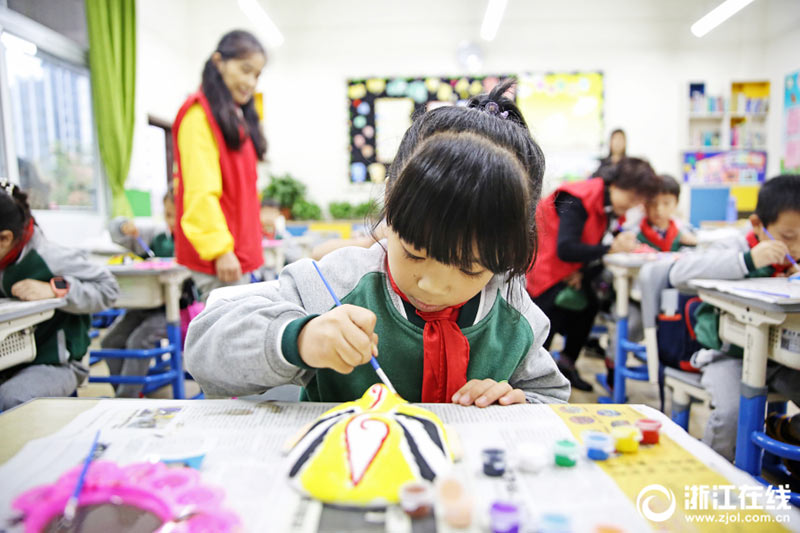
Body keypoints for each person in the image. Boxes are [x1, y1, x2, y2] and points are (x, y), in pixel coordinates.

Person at [185, 80, 570, 405]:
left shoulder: (514, 316)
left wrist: (516, 403)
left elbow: (552, 398)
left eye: (469, 268)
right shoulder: (334, 285)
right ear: (390, 204)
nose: (432, 284)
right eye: (415, 253)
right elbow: (203, 348)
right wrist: (297, 339)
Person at [669, 174, 800, 461]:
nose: (796, 248)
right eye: (788, 237)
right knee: (730, 415)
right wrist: (749, 261)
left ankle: (784, 431)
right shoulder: (736, 246)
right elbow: (678, 273)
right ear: (758, 224)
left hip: (783, 361)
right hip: (729, 357)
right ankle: (712, 472)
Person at [526, 157, 659, 391]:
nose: (632, 205)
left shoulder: (607, 205)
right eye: (631, 198)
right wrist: (611, 248)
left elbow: (590, 244)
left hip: (568, 270)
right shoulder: (578, 198)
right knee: (547, 324)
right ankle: (531, 379)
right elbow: (566, 248)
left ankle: (566, 365)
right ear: (616, 185)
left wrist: (583, 270)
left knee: (590, 305)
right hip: (544, 271)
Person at [0, 181, 119, 409]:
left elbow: (109, 288)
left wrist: (54, 289)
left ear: (5, 238)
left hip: (56, 363)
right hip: (9, 362)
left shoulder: (50, 256)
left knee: (10, 399)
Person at [172, 30, 267, 302]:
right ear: (218, 62)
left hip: (239, 251)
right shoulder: (198, 115)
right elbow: (199, 191)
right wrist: (220, 250)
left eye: (257, 75)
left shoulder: (234, 116)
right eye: (245, 70)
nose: (251, 82)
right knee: (229, 329)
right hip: (221, 258)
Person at [100, 190, 176, 397]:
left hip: (175, 310)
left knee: (138, 341)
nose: (171, 221)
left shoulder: (193, 241)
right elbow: (116, 232)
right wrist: (123, 226)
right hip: (144, 305)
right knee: (110, 342)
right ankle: (127, 393)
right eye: (168, 215)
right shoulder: (156, 235)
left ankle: (127, 398)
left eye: (176, 215)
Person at [637, 174, 697, 251]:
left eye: (666, 203)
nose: (659, 209)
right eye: (653, 203)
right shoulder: (636, 233)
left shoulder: (684, 231)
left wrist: (692, 243)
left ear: (676, 203)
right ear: (645, 204)